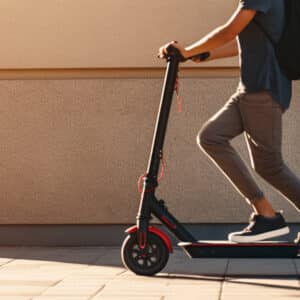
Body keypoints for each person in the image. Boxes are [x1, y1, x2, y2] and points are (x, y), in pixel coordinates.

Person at [159, 0, 300, 243]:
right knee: (211, 137)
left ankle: (268, 219)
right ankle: (266, 213)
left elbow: (230, 30)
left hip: (263, 90)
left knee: (270, 166)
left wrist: (188, 50)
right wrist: (203, 54)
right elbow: (242, 41)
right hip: (251, 90)